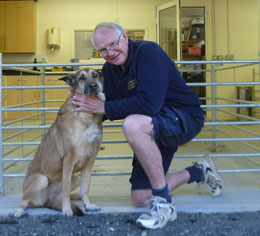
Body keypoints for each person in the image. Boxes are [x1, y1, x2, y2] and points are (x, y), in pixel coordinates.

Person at [72, 22, 224, 230]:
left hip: (183, 116)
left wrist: (102, 107)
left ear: (124, 36)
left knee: (132, 124)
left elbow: (148, 104)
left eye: (113, 44)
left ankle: (164, 204)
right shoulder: (110, 69)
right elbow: (109, 106)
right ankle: (199, 171)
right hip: (153, 125)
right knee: (140, 196)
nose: (110, 52)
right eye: (103, 50)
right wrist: (77, 114)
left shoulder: (149, 53)